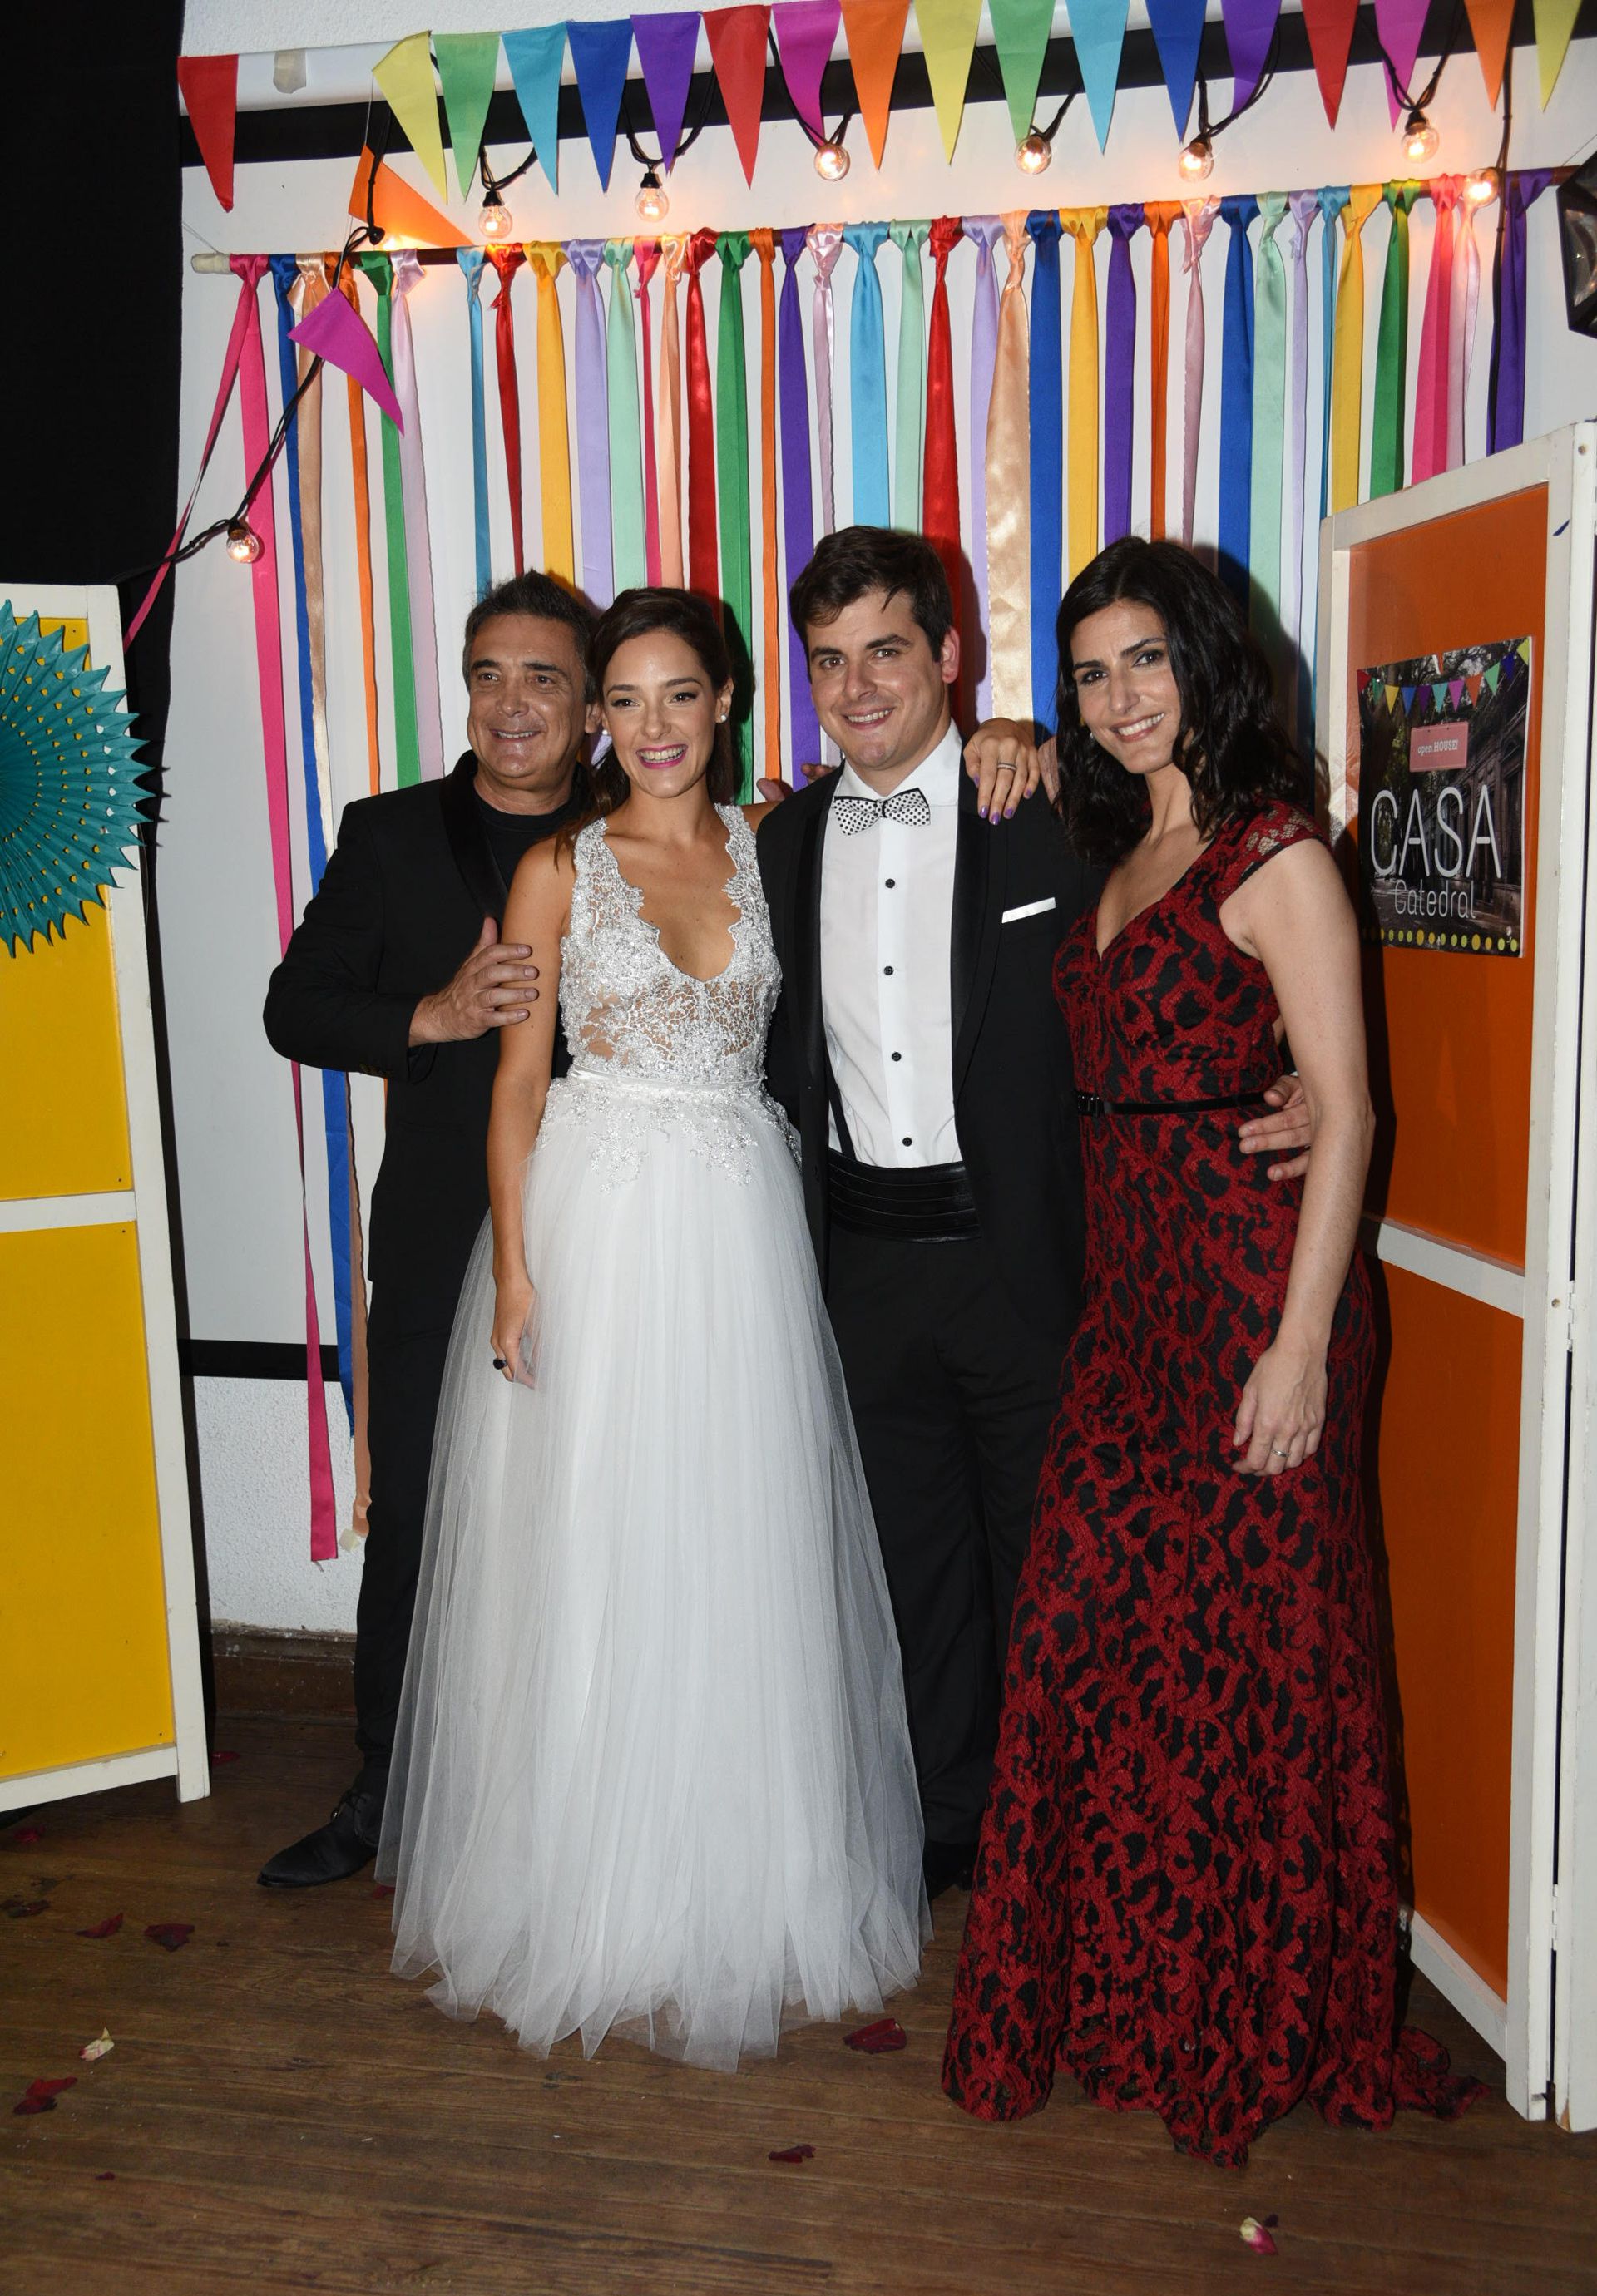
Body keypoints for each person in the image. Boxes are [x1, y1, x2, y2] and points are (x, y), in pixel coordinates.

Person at [942, 537, 1481, 2164]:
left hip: (1258, 1299)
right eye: (1091, 671)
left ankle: (1242, 2017)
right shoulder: (1117, 835)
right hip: (1132, 1315)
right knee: (1090, 1641)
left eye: (1147, 661)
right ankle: (1123, 1994)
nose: (1120, 697)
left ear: (1208, 662)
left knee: (1254, 1669)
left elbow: (1351, 1109)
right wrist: (1009, 737)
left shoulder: (1276, 851)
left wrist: (1303, 1348)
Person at [378, 588, 927, 2070]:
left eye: (679, 694)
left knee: (733, 1544)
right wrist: (514, 1273)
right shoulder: (558, 867)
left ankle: (737, 1879)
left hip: (740, 1227)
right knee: (599, 1545)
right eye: (623, 701)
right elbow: (516, 1085)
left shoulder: (773, 843)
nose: (651, 727)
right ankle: (587, 1888)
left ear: (726, 700)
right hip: (598, 1222)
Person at [754, 529, 1313, 1899]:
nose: (857, 687)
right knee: (912, 1567)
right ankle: (950, 1821)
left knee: (1056, 1575)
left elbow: (1198, 935)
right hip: (861, 1262)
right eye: (828, 661)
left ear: (951, 655)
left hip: (1034, 1261)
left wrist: (1294, 1071)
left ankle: (1056, 1831)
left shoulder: (1062, 804)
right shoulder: (780, 842)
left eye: (888, 651)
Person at [258, 572, 593, 1889]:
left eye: (544, 678)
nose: (511, 704)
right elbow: (295, 1006)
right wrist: (431, 1017)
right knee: (414, 1515)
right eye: (488, 674)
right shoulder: (390, 833)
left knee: (593, 1510)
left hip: (615, 1225)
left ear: (592, 708)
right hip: (441, 1232)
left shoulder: (648, 825)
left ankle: (578, 1790)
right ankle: (386, 1787)